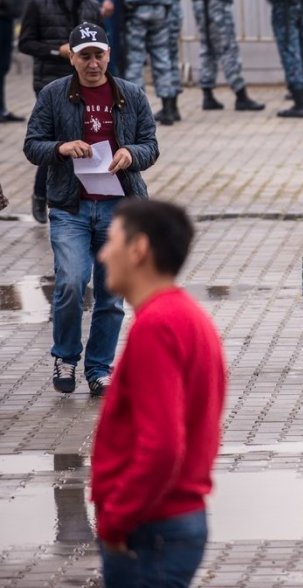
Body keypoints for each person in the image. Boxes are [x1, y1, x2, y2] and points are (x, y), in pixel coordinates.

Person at [92, 199, 226, 588]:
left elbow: (164, 445)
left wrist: (116, 519)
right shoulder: (186, 314)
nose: (102, 253)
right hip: (170, 522)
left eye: (110, 241)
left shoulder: (157, 326)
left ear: (139, 249)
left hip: (151, 528)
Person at [23, 22, 159, 396]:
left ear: (109, 55)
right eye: (85, 55)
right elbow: (33, 144)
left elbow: (151, 144)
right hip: (71, 206)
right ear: (72, 57)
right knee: (69, 282)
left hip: (119, 209)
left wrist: (131, 153)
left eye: (99, 54)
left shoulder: (130, 95)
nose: (93, 63)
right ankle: (65, 356)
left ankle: (99, 368)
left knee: (111, 292)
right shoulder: (53, 95)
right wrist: (61, 148)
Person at [19, 0, 102, 226]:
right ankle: (41, 195)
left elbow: (102, 46)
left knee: (81, 136)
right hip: (48, 83)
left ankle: (83, 191)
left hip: (85, 83)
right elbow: (25, 43)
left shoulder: (90, 6)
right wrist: (58, 51)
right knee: (53, 140)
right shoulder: (37, 3)